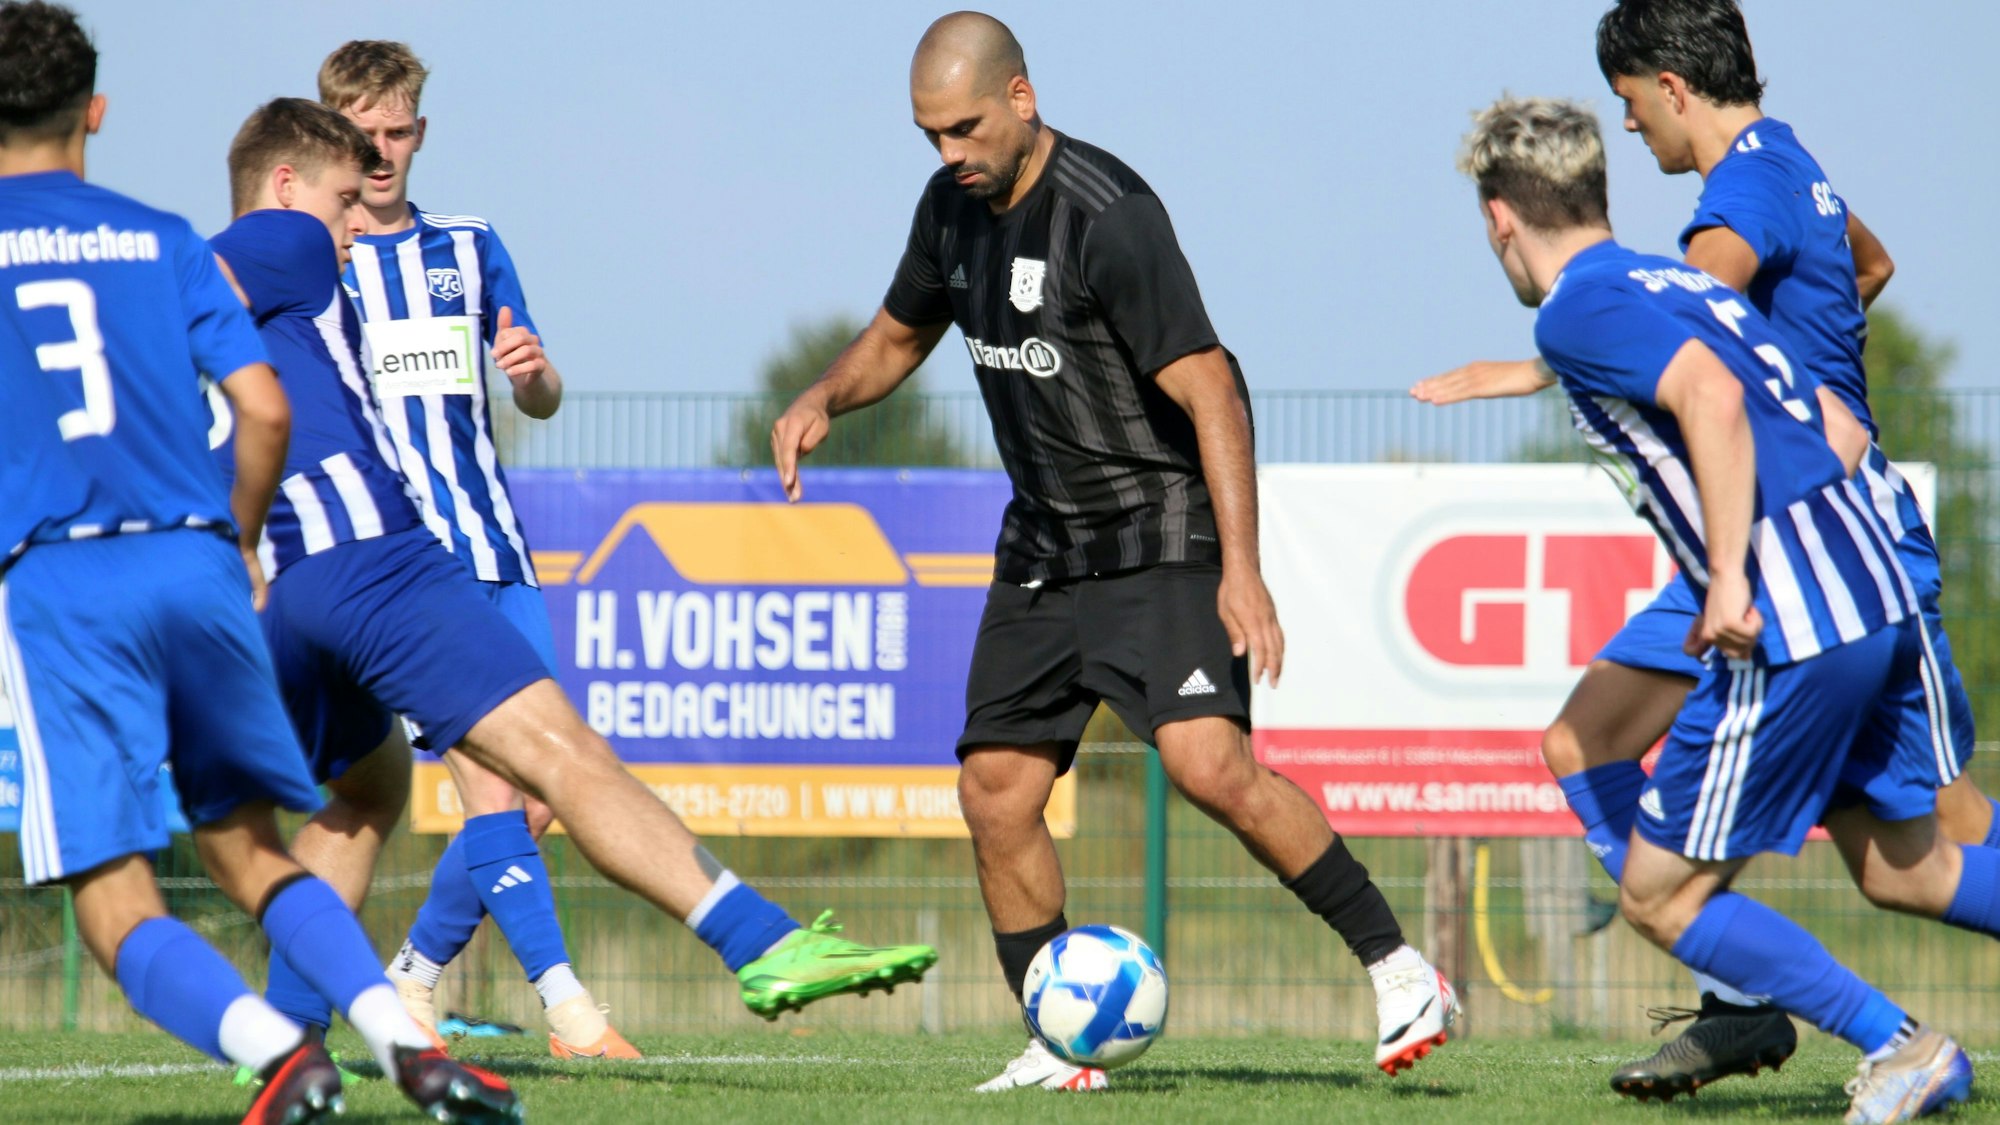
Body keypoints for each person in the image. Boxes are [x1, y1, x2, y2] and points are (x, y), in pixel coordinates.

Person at [771, 11, 1456, 1091]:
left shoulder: (1108, 214)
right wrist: (824, 395)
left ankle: (1400, 968)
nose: (948, 153)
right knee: (995, 791)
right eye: (928, 135)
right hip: (1043, 543)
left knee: (1206, 765)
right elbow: (900, 333)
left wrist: (1241, 568)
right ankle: (1058, 1046)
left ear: (1020, 98)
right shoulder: (948, 210)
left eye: (962, 128)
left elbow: (1213, 390)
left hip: (1158, 531)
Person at [209, 98, 939, 1067]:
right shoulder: (286, 241)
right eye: (345, 198)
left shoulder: (260, 303)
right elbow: (191, 280)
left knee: (366, 792)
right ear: (285, 187)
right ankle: (763, 941)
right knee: (564, 756)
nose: (355, 222)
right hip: (371, 556)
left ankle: (287, 1050)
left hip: (279, 589)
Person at [1412, 0, 1989, 1100]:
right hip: (1856, 572)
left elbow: (1712, 396)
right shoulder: (1674, 273)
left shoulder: (1639, 269)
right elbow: (1821, 383)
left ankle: (1896, 1046)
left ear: (1499, 220)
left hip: (1787, 600)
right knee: (1897, 864)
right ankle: (1749, 993)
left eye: (1635, 101)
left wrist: (1728, 574)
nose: (1635, 122)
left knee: (1664, 893)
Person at [0, 6, 515, 1122]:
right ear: (94, 113)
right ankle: (402, 1043)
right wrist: (238, 542)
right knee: (253, 846)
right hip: (197, 564)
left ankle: (279, 1052)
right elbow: (264, 409)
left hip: (63, 581)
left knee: (112, 895)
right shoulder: (161, 239)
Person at [307, 38, 626, 1061]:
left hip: (498, 546)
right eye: (364, 133)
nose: (382, 150)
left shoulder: (469, 245)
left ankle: (409, 978)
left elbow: (541, 391)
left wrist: (534, 377)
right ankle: (571, 1012)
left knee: (545, 790)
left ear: (421, 132)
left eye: (398, 131)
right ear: (333, 133)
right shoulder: (313, 264)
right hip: (406, 569)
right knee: (490, 789)